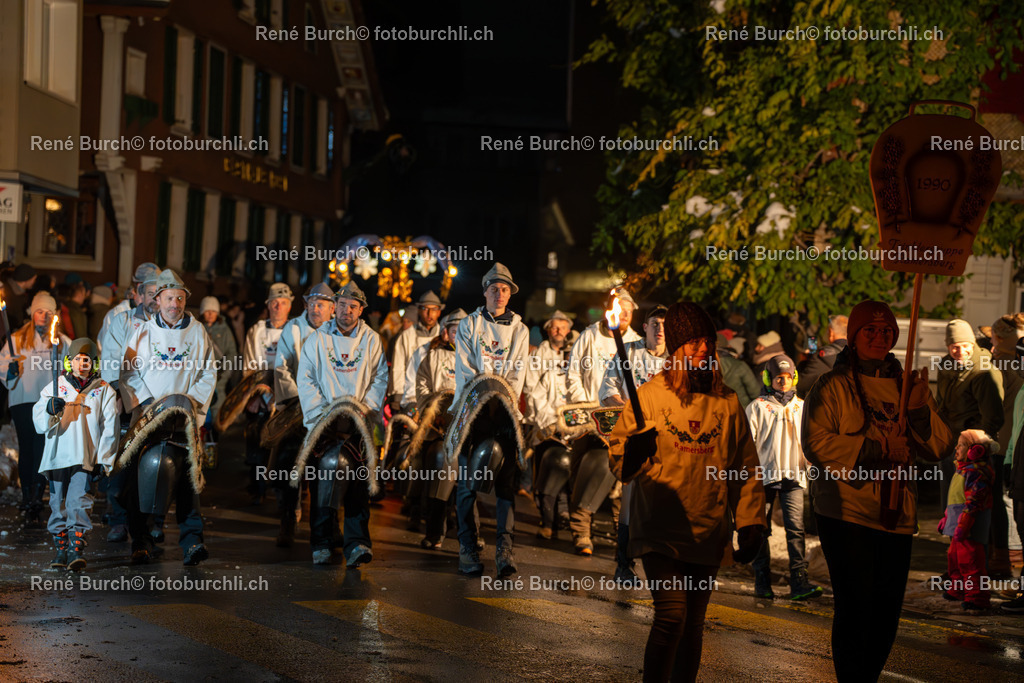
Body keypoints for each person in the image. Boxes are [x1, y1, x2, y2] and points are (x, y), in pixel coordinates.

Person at [608, 301, 766, 683]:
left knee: (693, 623)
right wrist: (634, 453)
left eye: (706, 343)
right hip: (660, 527)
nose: (701, 351)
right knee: (671, 617)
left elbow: (745, 467)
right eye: (692, 343)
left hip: (708, 527)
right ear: (677, 349)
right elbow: (618, 460)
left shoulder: (727, 402)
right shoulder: (649, 396)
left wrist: (750, 522)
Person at [802, 300, 953, 682]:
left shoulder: (908, 388)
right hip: (847, 512)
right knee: (856, 607)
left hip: (897, 514)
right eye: (870, 330)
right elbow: (816, 443)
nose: (879, 337)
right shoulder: (832, 385)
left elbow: (938, 447)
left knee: (886, 611)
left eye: (887, 331)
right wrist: (877, 449)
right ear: (853, 336)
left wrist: (919, 409)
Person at [120, 269, 217, 566]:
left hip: (183, 419)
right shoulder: (143, 332)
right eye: (169, 298)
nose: (175, 303)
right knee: (143, 477)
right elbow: (129, 371)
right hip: (150, 418)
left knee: (188, 480)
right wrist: (147, 403)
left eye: (180, 298)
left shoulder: (197, 332)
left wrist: (191, 403)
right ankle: (141, 540)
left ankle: (192, 542)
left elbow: (208, 372)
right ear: (158, 300)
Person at [297, 281, 388, 566]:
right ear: (334, 307)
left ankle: (357, 544)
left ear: (361, 310)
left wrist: (365, 410)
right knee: (322, 481)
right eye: (342, 305)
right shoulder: (317, 339)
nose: (346, 311)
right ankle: (321, 543)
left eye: (353, 306)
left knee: (358, 485)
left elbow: (379, 378)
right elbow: (306, 378)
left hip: (358, 422)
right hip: (325, 422)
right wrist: (322, 411)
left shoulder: (372, 340)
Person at [449, 262, 530, 576]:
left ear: (510, 294)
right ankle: (467, 546)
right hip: (473, 409)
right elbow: (465, 367)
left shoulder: (520, 330)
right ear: (484, 291)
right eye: (494, 288)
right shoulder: (469, 325)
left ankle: (504, 550)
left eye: (505, 289)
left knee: (505, 484)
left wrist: (502, 396)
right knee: (468, 482)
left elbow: (517, 371)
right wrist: (483, 394)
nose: (500, 294)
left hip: (505, 411)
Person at [565, 287, 641, 555]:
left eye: (628, 312)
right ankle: (580, 529)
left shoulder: (636, 343)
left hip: (620, 422)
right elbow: (573, 373)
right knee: (583, 471)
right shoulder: (590, 336)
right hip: (589, 416)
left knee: (621, 476)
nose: (623, 316)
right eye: (620, 310)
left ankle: (623, 536)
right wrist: (586, 406)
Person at [33, 338, 118, 571]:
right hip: (58, 456)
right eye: (78, 359)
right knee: (57, 503)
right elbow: (39, 420)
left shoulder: (103, 390)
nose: (83, 364)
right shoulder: (55, 386)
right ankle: (61, 548)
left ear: (94, 363)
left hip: (85, 457)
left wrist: (105, 459)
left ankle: (75, 549)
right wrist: (49, 410)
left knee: (78, 502)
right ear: (69, 362)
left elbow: (110, 428)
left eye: (87, 360)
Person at [600, 305, 669, 584]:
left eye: (664, 324)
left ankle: (660, 564)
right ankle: (624, 564)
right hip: (634, 437)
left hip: (664, 439)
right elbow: (608, 387)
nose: (660, 329)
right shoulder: (628, 351)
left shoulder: (676, 361)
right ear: (645, 327)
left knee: (661, 503)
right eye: (654, 323)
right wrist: (622, 406)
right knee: (629, 504)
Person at [746, 354, 821, 601]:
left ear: (794, 378)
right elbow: (747, 444)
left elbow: (810, 441)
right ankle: (762, 581)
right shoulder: (757, 407)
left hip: (794, 477)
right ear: (768, 378)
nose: (783, 382)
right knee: (760, 530)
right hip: (763, 479)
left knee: (795, 530)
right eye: (778, 377)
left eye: (788, 378)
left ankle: (799, 582)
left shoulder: (802, 406)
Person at [97, 266, 160, 543]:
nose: (154, 299)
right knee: (120, 463)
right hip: (127, 403)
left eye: (160, 294)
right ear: (138, 294)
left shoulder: (168, 324)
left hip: (155, 405)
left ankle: (152, 521)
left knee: (153, 463)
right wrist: (116, 392)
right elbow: (110, 359)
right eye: (149, 293)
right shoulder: (121, 321)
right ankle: (118, 520)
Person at [270, 282, 335, 547]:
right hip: (297, 409)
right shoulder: (293, 328)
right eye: (312, 303)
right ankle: (287, 520)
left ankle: (326, 528)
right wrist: (300, 399)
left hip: (328, 411)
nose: (316, 308)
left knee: (328, 468)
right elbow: (282, 366)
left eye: (322, 304)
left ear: (332, 309)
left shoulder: (337, 333)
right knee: (287, 463)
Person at [0, 292, 71, 525]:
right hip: (23, 400)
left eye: (49, 312)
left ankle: (37, 495)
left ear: (54, 316)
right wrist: (8, 372)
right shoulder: (17, 339)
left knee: (42, 449)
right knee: (27, 448)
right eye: (40, 311)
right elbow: (3, 367)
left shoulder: (61, 342)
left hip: (48, 403)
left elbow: (73, 369)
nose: (44, 315)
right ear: (32, 313)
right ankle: (26, 494)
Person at [936, 319, 1003, 510]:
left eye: (965, 346)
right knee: (949, 495)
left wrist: (977, 446)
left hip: (973, 448)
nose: (960, 351)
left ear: (972, 344)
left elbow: (993, 415)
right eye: (954, 346)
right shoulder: (945, 364)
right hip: (950, 442)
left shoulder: (983, 370)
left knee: (970, 502)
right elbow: (941, 401)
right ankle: (950, 532)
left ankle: (967, 537)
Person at [414, 309, 467, 548]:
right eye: (454, 330)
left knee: (470, 474)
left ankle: (469, 533)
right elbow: (423, 385)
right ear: (446, 333)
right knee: (439, 462)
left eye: (463, 331)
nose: (458, 335)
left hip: (465, 429)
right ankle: (434, 531)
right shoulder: (432, 356)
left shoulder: (475, 359)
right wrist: (432, 409)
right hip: (438, 427)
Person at [241, 282, 293, 505]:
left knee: (285, 447)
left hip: (286, 398)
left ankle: (282, 489)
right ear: (268, 305)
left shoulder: (295, 330)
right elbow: (250, 364)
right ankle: (257, 487)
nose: (277, 306)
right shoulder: (258, 330)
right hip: (261, 395)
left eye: (282, 303)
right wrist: (257, 396)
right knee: (257, 441)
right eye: (274, 302)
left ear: (289, 306)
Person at [938, 429, 997, 610]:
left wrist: (964, 524)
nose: (956, 448)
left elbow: (973, 502)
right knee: (954, 558)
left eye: (961, 445)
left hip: (969, 528)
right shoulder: (962, 470)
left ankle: (977, 596)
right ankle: (958, 588)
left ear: (975, 450)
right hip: (957, 526)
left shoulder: (976, 473)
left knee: (970, 562)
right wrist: (947, 519)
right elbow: (956, 499)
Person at [988, 313, 1024, 577]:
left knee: (1000, 498)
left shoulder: (999, 363)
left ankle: (1005, 554)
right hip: (1014, 441)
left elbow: (993, 405)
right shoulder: (1017, 361)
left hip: (1002, 440)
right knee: (1010, 496)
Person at [388, 291, 443, 415]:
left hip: (438, 398)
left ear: (439, 312)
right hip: (411, 398)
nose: (430, 314)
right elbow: (398, 368)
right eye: (425, 309)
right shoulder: (406, 336)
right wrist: (397, 397)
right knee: (411, 427)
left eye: (434, 309)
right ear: (419, 310)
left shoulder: (443, 336)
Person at [200, 296, 240, 433]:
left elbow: (231, 352)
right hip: (201, 375)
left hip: (219, 375)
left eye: (213, 311)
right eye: (207, 311)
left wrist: (225, 372)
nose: (210, 314)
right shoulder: (198, 328)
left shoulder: (224, 330)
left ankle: (215, 440)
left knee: (218, 407)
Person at [1001, 379, 1024, 613]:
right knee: (1021, 526)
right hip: (1019, 470)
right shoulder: (1022, 392)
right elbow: (1016, 430)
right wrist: (1008, 460)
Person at [797, 314, 848, 399]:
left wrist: (804, 362)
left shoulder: (822, 355)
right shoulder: (857, 353)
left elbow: (803, 384)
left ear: (831, 332)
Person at [716, 332, 760, 408]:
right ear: (727, 346)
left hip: (715, 412)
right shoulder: (739, 365)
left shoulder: (702, 366)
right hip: (741, 410)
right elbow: (755, 392)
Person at [2, 263, 38, 330]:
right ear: (25, 280)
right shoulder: (7, 294)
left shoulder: (22, 293)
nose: (34, 281)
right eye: (33, 279)